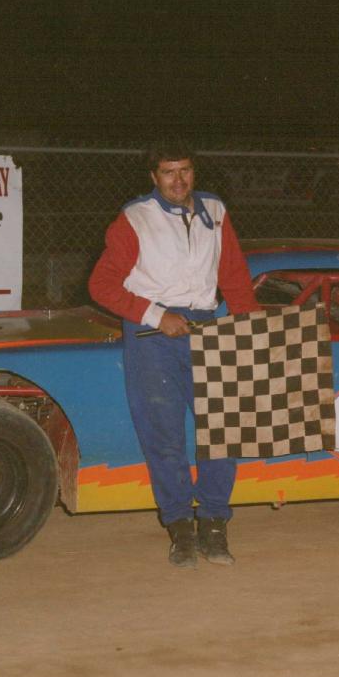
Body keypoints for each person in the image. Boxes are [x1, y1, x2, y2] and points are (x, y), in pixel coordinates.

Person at [88, 143, 258, 568]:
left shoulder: (215, 210)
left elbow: (234, 276)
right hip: (153, 334)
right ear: (154, 177)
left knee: (222, 429)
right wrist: (155, 314)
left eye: (185, 171)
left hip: (206, 327)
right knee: (163, 435)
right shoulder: (135, 218)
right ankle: (180, 527)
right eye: (168, 172)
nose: (178, 180)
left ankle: (214, 523)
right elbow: (101, 285)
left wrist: (249, 326)